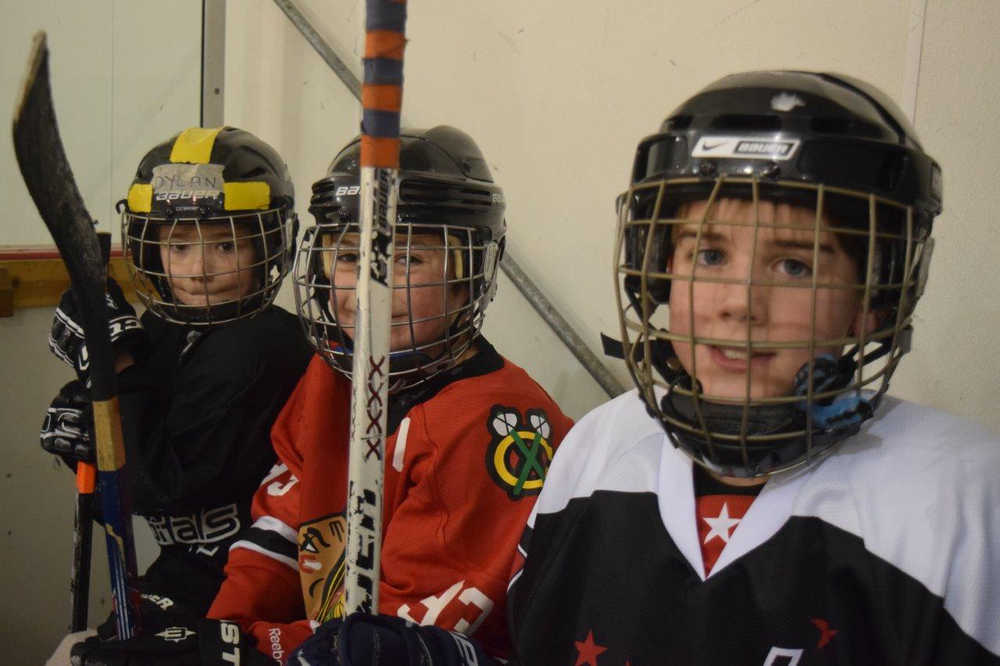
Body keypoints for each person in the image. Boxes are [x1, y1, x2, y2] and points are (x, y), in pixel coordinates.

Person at [294, 72, 1000, 665]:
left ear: (874, 301)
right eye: (709, 255)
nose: (738, 303)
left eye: (794, 265)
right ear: (658, 273)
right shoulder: (602, 449)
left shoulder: (961, 499)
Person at [69, 125, 573, 665]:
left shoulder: (494, 421)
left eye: (407, 260)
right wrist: (223, 628)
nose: (371, 290)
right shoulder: (335, 374)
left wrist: (248, 649)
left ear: (468, 276)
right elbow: (283, 527)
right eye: (351, 258)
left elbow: (405, 637)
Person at [42, 127, 313, 651]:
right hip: (184, 570)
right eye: (179, 245)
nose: (199, 270)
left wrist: (114, 364)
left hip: (254, 586)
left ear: (268, 245)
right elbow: (126, 492)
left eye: (226, 245)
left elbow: (160, 487)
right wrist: (85, 440)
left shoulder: (264, 343)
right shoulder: (164, 329)